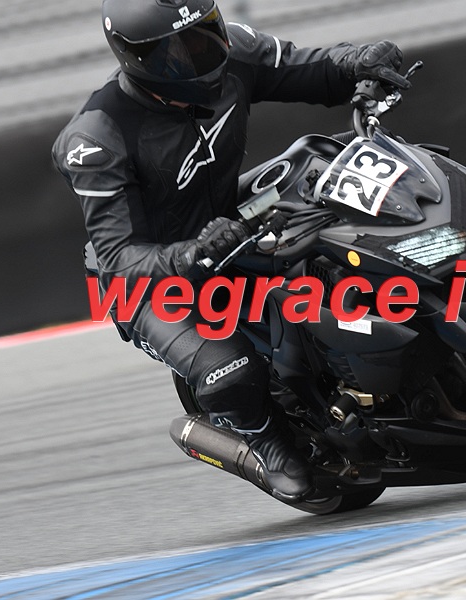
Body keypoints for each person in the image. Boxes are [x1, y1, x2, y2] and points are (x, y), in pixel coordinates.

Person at [51, 0, 410, 502]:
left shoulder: (235, 51)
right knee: (231, 371)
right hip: (154, 281)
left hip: (230, 221)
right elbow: (119, 257)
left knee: (332, 186)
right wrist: (191, 254)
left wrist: (358, 62)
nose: (200, 56)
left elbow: (312, 70)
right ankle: (267, 443)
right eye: (176, 52)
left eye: (205, 35)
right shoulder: (96, 140)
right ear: (135, 57)